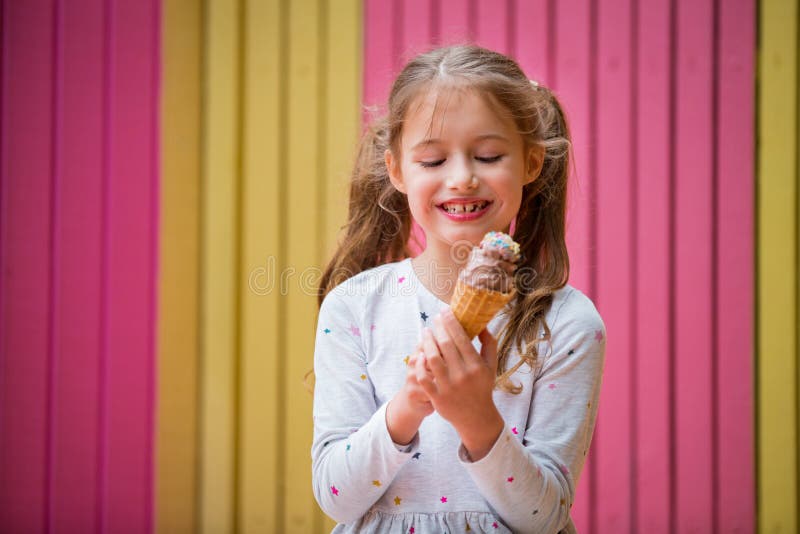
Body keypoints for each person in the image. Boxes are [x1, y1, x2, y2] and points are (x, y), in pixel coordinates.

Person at [311, 44, 606, 534]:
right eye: (432, 160)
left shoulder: (567, 323)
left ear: (532, 162)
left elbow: (545, 517)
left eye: (488, 155)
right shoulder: (354, 308)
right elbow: (336, 499)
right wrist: (410, 404)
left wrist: (476, 418)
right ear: (397, 170)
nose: (463, 177)